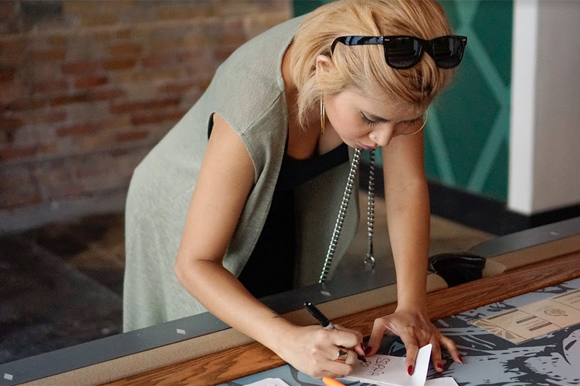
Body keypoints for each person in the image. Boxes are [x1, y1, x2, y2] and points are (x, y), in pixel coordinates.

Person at [123, 0, 466, 379]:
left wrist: (412, 308)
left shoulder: (393, 60)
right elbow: (195, 263)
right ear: (324, 71)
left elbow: (405, 185)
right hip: (181, 200)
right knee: (205, 352)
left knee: (275, 310)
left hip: (278, 193)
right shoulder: (253, 106)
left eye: (408, 121)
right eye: (370, 119)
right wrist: (288, 340)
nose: (385, 138)